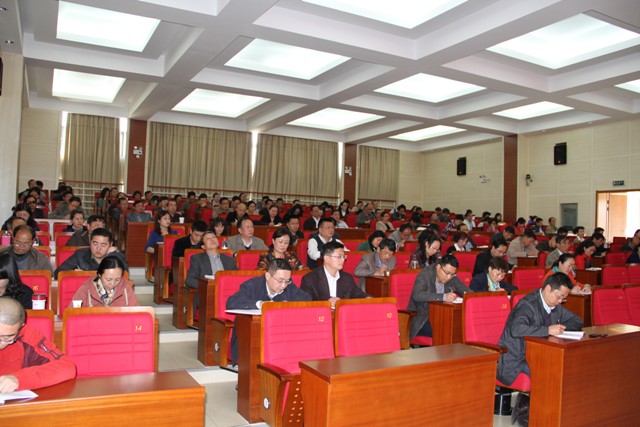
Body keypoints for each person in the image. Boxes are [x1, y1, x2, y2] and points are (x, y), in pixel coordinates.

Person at [497, 273, 582, 424]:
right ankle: (533, 415)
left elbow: (576, 321)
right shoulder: (527, 304)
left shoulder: (554, 306)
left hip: (539, 355)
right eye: (559, 297)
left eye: (563, 299)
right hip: (517, 358)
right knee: (549, 374)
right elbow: (516, 329)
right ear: (548, 288)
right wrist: (547, 330)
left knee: (566, 369)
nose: (560, 301)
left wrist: (560, 328)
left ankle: (558, 416)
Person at [0, 297, 76, 393]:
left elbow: (67, 367)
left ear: (20, 328)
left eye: (6, 337)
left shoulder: (27, 335)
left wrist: (19, 379)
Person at [408, 255, 473, 340]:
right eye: (447, 273)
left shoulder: (452, 277)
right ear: (439, 267)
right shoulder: (425, 274)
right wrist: (443, 297)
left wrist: (472, 297)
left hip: (443, 316)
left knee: (460, 329)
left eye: (452, 274)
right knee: (448, 332)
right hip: (423, 318)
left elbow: (467, 292)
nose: (449, 277)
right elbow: (417, 295)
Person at [227, 259, 311, 310]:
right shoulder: (253, 285)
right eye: (280, 280)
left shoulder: (289, 285)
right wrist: (260, 304)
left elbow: (307, 299)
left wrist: (288, 304)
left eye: (287, 281)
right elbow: (232, 302)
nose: (283, 285)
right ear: (267, 276)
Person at [301, 241, 367, 304]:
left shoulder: (347, 278)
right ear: (326, 259)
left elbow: (358, 294)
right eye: (339, 257)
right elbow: (307, 304)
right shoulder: (310, 279)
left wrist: (368, 298)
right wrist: (326, 304)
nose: (343, 260)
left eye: (344, 256)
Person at [54, 228, 127, 279]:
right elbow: (58, 272)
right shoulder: (80, 254)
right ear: (90, 241)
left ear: (110, 245)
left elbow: (124, 277)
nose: (98, 248)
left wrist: (111, 255)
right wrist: (74, 273)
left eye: (103, 245)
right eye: (95, 244)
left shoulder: (117, 257)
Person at [69, 256, 138, 307]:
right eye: (108, 279)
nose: (112, 284)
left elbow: (136, 314)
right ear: (99, 275)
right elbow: (72, 313)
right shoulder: (86, 289)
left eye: (117, 279)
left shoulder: (126, 288)